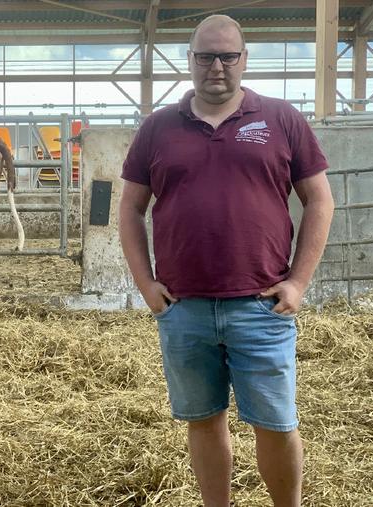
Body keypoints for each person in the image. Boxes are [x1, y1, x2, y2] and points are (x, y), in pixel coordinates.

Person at [118, 14, 335, 507]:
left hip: (261, 305)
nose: (216, 66)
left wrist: (298, 282)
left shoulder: (282, 119)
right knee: (203, 419)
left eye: (227, 56)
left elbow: (319, 201)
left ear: (244, 59)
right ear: (189, 60)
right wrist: (147, 286)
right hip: (184, 307)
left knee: (276, 423)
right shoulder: (157, 128)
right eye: (205, 56)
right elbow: (130, 209)